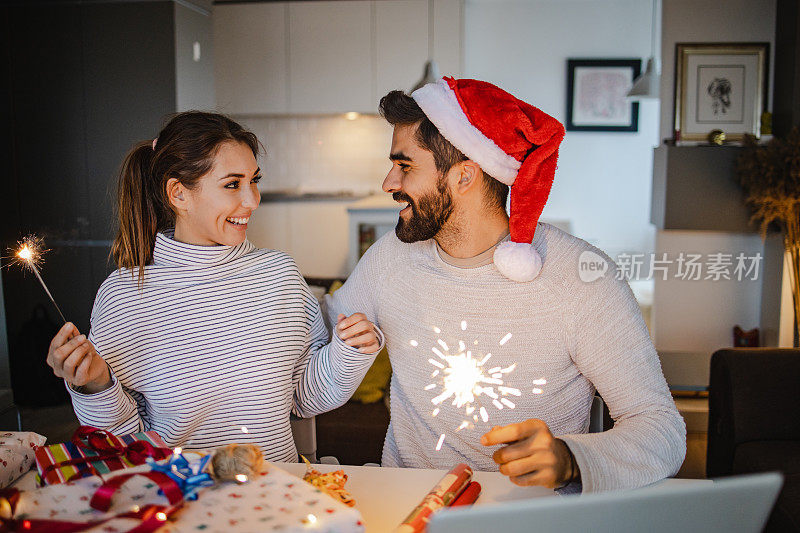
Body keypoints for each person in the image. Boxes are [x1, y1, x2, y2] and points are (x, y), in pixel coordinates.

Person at [326, 78, 686, 492]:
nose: (388, 183)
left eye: (405, 166)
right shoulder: (390, 257)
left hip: (531, 515)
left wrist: (571, 460)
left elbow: (663, 430)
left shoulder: (581, 279)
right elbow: (321, 334)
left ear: (464, 176)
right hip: (409, 507)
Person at [46, 111, 383, 461]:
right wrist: (97, 384)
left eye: (255, 180)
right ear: (179, 194)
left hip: (278, 493)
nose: (252, 200)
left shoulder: (279, 275)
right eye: (233, 184)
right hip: (177, 501)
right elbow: (123, 443)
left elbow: (304, 398)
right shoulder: (123, 298)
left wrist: (349, 353)